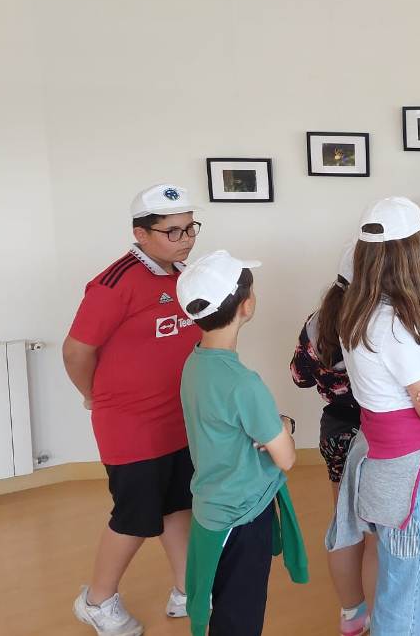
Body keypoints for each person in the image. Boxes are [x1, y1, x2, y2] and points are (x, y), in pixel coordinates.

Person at [65, 184, 202, 636]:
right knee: (135, 516)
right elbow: (76, 351)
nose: (185, 239)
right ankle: (97, 600)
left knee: (179, 503)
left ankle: (186, 588)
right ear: (141, 234)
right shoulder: (114, 283)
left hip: (176, 417)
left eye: (190, 228)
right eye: (172, 231)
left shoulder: (182, 272)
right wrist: (94, 395)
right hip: (130, 423)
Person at [328, 197, 420, 636]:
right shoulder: (395, 323)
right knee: (411, 584)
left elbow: (413, 381)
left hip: (379, 457)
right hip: (408, 469)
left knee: (397, 573)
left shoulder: (356, 311)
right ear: (409, 256)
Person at [177, 250, 308, 636]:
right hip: (243, 516)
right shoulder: (244, 383)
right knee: (241, 616)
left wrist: (271, 427)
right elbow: (286, 458)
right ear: (246, 306)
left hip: (210, 507)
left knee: (222, 603)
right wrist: (283, 425)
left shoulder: (195, 363)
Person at [289, 243, 376, 636]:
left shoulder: (318, 320)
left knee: (346, 523)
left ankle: (351, 614)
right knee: (376, 531)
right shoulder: (380, 319)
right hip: (379, 432)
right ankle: (379, 615)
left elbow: (300, 376)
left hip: (336, 429)